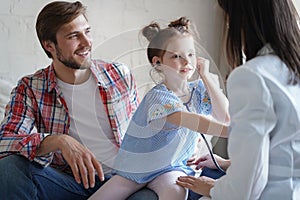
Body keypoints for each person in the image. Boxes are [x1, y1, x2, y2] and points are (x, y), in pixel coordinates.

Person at [0, 1, 158, 199]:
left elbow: (143, 128)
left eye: (87, 32)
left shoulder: (118, 74)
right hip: (69, 184)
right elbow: (5, 143)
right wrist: (59, 141)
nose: (86, 42)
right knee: (9, 168)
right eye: (73, 36)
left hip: (124, 181)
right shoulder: (31, 88)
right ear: (49, 45)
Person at [89, 17, 229, 200]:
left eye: (191, 54)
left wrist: (206, 77)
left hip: (171, 168)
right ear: (158, 63)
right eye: (176, 56)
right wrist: (238, 132)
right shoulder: (158, 97)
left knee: (176, 191)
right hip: (135, 170)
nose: (186, 62)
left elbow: (225, 116)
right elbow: (194, 122)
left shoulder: (199, 89)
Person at [176, 0, 300, 199]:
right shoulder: (290, 68)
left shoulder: (251, 76)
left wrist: (214, 188)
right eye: (175, 56)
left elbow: (246, 188)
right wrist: (227, 163)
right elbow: (284, 150)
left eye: (190, 54)